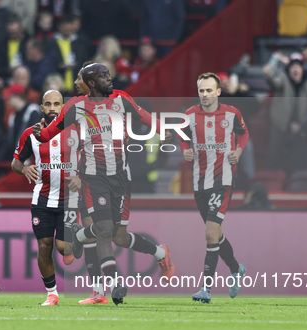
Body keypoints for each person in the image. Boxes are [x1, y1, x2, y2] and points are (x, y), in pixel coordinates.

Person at [33, 63, 174, 306]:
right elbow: (50, 133)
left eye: (109, 75)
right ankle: (112, 285)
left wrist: (162, 129)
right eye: (104, 76)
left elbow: (144, 116)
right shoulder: (76, 106)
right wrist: (39, 133)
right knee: (104, 229)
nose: (110, 79)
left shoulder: (121, 98)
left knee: (117, 236)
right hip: (92, 176)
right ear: (91, 83)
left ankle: (159, 253)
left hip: (121, 177)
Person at [179, 72, 249, 304]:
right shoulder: (189, 115)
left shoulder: (231, 113)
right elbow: (181, 136)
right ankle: (236, 268)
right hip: (200, 183)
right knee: (216, 235)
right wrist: (185, 150)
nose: (205, 95)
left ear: (218, 92)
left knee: (210, 233)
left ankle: (205, 289)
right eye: (201, 90)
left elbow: (244, 132)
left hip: (224, 180)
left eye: (209, 90)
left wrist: (238, 152)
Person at [12, 89, 77, 306]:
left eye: (56, 104)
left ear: (63, 107)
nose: (52, 108)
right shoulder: (30, 134)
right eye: (47, 104)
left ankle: (76, 241)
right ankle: (52, 294)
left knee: (63, 248)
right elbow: (15, 162)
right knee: (43, 246)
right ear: (41, 107)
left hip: (69, 199)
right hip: (41, 199)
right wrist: (23, 169)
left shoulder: (75, 130)